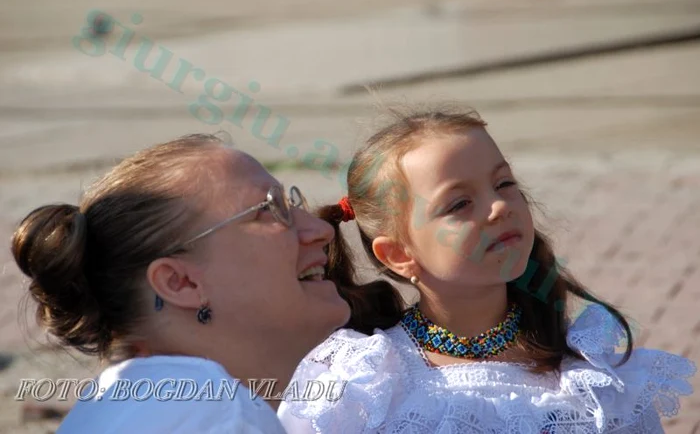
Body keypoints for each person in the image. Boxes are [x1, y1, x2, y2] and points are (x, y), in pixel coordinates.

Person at [278, 106, 696, 433]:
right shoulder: (365, 381)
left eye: (504, 184)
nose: (499, 207)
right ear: (399, 255)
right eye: (459, 204)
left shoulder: (589, 367)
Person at [11, 133, 350, 433]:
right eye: (271, 209)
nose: (321, 230)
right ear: (181, 282)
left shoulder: (150, 404)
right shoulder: (218, 417)